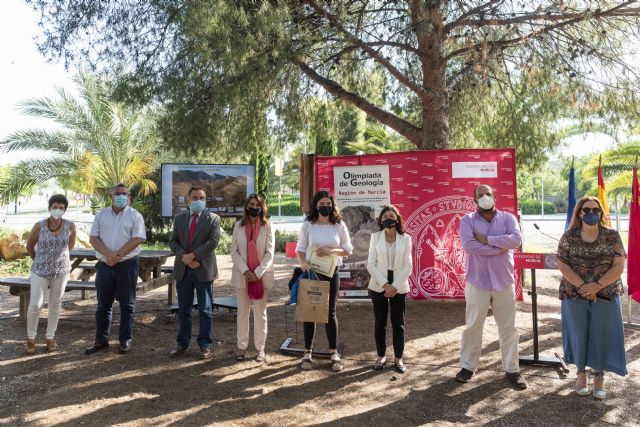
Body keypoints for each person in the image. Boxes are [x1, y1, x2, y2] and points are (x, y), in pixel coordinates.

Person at [456, 184, 527, 390]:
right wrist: (498, 249)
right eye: (481, 195)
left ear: (494, 196)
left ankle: (512, 370)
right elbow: (469, 245)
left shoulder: (508, 218)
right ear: (474, 200)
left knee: (508, 327)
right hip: (477, 281)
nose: (485, 197)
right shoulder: (467, 220)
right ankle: (468, 367)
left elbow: (515, 240)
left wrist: (487, 240)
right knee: (473, 325)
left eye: (489, 193)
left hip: (503, 281)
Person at [556, 196, 627, 399]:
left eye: (596, 210)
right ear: (579, 213)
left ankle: (599, 376)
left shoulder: (612, 236)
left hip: (606, 293)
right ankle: (580, 374)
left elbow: (618, 265)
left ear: (601, 213)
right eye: (586, 210)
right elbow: (562, 264)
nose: (591, 214)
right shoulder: (569, 237)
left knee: (601, 333)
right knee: (579, 333)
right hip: (574, 293)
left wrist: (596, 286)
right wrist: (583, 286)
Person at [85, 184, 146, 355]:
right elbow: (93, 238)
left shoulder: (135, 216)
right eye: (118, 193)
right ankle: (101, 340)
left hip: (127, 265)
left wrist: (117, 256)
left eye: (124, 194)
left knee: (127, 305)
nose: (121, 196)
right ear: (111, 195)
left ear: (129, 197)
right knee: (103, 305)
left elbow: (137, 238)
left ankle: (125, 340)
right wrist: (108, 255)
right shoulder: (101, 215)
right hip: (105, 266)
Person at [296, 191, 353, 371]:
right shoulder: (308, 224)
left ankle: (333, 353)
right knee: (310, 312)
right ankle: (307, 353)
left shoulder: (339, 225)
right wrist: (303, 263)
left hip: (331, 273)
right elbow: (300, 249)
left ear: (332, 205)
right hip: (312, 273)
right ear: (316, 205)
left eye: (328, 203)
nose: (325, 206)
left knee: (330, 313)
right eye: (321, 203)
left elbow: (347, 250)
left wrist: (331, 250)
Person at [168, 186, 221, 359]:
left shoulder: (213, 218)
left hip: (203, 269)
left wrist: (193, 256)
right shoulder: (180, 219)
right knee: (184, 310)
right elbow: (173, 241)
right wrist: (184, 256)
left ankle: (205, 344)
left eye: (202, 197)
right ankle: (182, 344)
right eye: (196, 197)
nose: (199, 200)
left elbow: (213, 241)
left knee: (205, 309)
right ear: (188, 200)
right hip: (183, 269)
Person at [25, 194, 76, 354]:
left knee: (55, 304)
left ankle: (50, 338)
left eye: (61, 208)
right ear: (49, 208)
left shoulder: (70, 226)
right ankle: (31, 339)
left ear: (65, 210)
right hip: (40, 270)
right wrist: (40, 259)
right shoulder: (39, 226)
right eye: (55, 207)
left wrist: (58, 261)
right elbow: (30, 246)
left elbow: (70, 247)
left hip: (61, 271)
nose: (58, 210)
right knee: (35, 305)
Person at [366, 205, 412, 373]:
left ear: (397, 219)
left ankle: (398, 359)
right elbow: (371, 263)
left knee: (398, 323)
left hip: (399, 285)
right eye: (385, 216)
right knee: (380, 322)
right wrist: (385, 284)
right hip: (378, 284)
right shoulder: (375, 237)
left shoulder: (405, 238)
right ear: (381, 220)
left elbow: (408, 265)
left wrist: (395, 286)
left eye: (392, 215)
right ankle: (381, 356)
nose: (388, 218)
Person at [230, 194, 275, 363]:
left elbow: (270, 253)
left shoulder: (267, 226)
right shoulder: (238, 226)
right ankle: (241, 346)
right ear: (246, 206)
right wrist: (245, 271)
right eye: (251, 204)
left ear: (262, 207)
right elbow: (234, 251)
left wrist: (257, 272)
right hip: (242, 276)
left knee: (260, 313)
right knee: (242, 312)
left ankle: (260, 348)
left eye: (257, 204)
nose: (254, 206)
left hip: (260, 276)